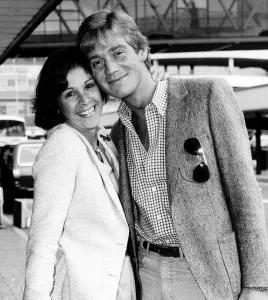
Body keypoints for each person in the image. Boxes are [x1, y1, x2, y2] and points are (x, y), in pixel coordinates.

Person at [76, 8, 268, 300]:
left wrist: (256, 287)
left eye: (118, 53)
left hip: (208, 277)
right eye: (98, 62)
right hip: (147, 273)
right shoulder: (117, 134)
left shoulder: (207, 96)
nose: (110, 69)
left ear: (141, 49)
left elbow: (245, 196)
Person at [22, 46, 166, 300]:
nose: (85, 100)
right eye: (70, 93)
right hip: (84, 289)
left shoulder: (104, 141)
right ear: (56, 104)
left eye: (89, 86)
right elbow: (42, 242)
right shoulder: (62, 147)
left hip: (121, 283)